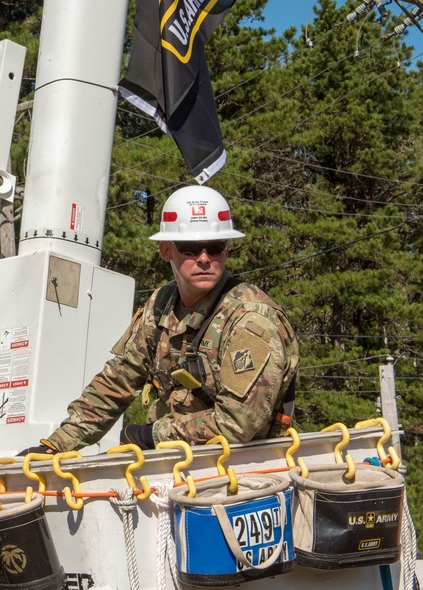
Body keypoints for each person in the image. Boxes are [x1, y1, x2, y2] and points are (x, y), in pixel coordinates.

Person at [22, 185, 298, 454]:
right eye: (190, 247)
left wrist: (151, 435)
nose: (204, 258)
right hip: (177, 464)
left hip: (247, 472)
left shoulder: (251, 320)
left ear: (226, 251)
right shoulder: (161, 304)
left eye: (215, 247)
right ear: (166, 251)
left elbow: (239, 422)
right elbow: (118, 381)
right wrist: (56, 445)